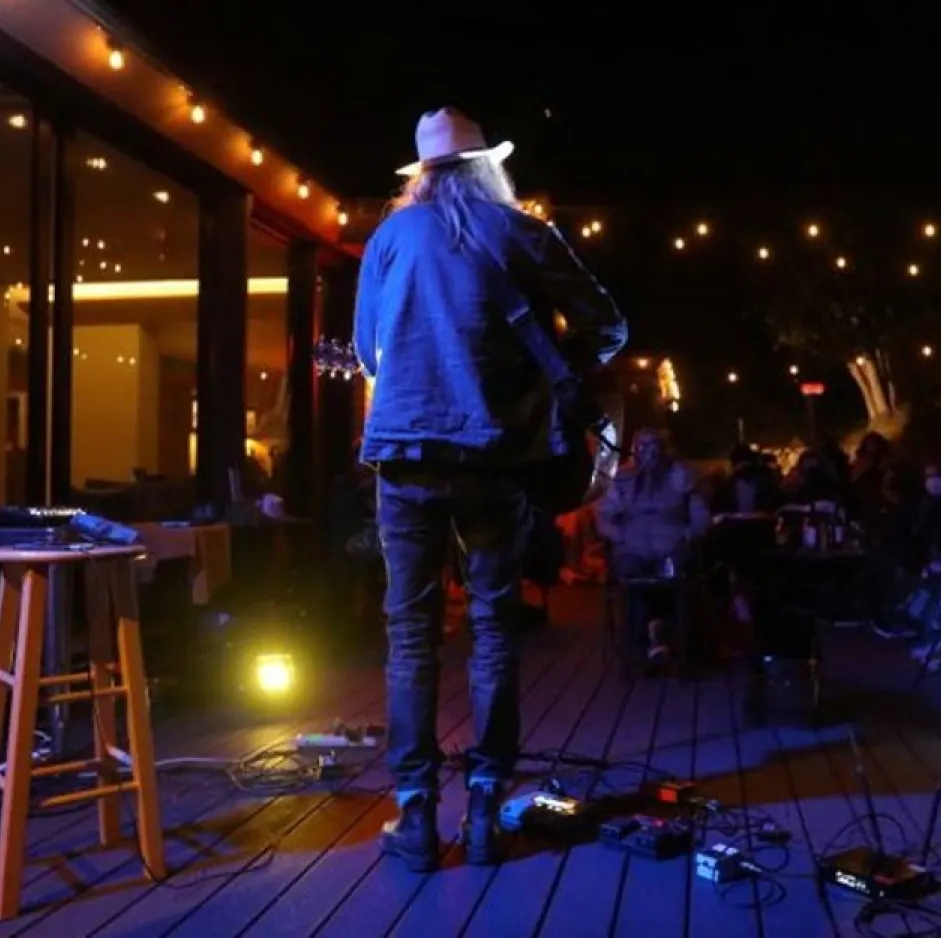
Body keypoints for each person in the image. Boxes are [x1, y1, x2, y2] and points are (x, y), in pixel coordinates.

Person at [355, 108, 627, 871]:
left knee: (410, 636)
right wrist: (540, 363)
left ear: (423, 176)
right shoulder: (521, 233)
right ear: (483, 168)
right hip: (493, 458)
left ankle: (413, 819)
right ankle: (481, 808)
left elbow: (368, 351)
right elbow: (608, 326)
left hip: (405, 457)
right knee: (493, 629)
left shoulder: (387, 240)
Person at [596, 429, 710, 663]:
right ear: (635, 450)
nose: (650, 451)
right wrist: (619, 536)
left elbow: (700, 516)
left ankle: (667, 635)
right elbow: (605, 515)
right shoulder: (623, 480)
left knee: (677, 574)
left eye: (655, 444)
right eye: (644, 446)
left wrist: (688, 535)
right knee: (631, 575)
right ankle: (645, 639)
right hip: (633, 548)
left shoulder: (682, 477)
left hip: (672, 546)